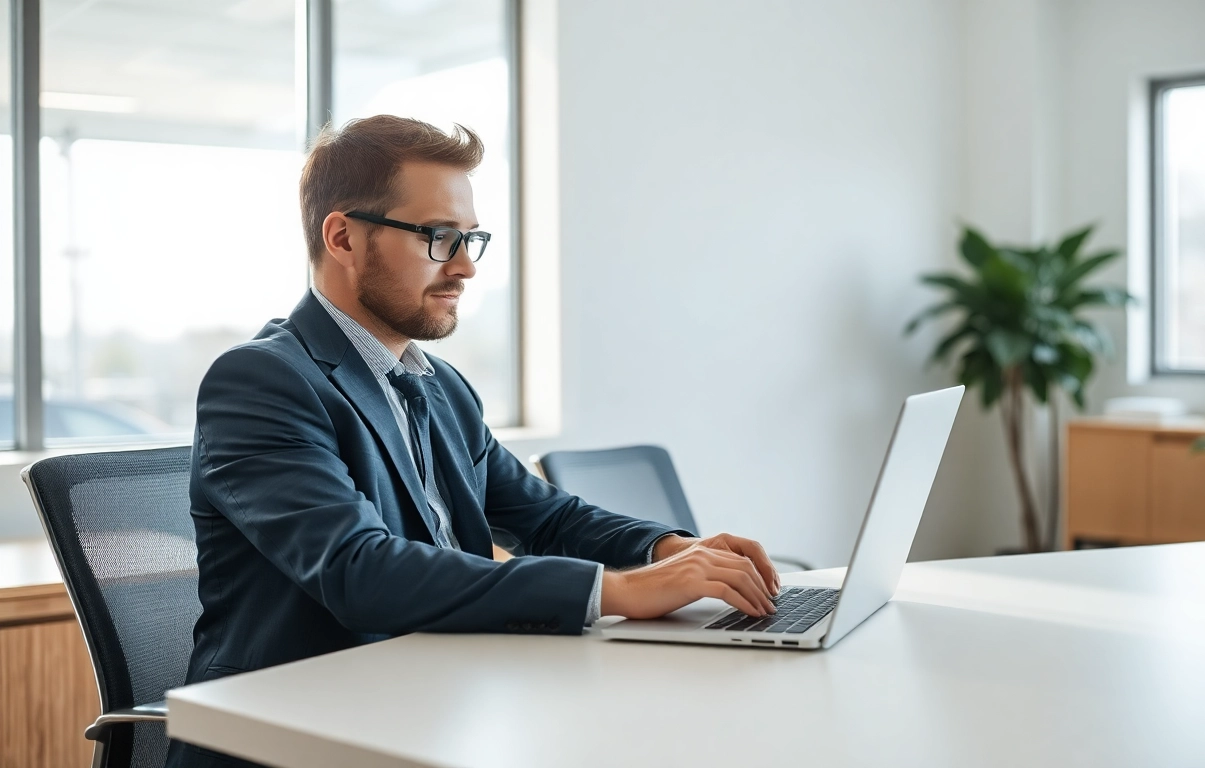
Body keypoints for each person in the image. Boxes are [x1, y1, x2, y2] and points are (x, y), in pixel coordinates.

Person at [166, 115, 779, 768]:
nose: (463, 267)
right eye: (437, 237)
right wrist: (620, 591)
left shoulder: (439, 386)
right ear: (342, 236)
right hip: (296, 736)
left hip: (432, 707)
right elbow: (358, 570)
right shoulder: (262, 380)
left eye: (470, 239)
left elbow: (543, 513)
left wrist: (671, 550)